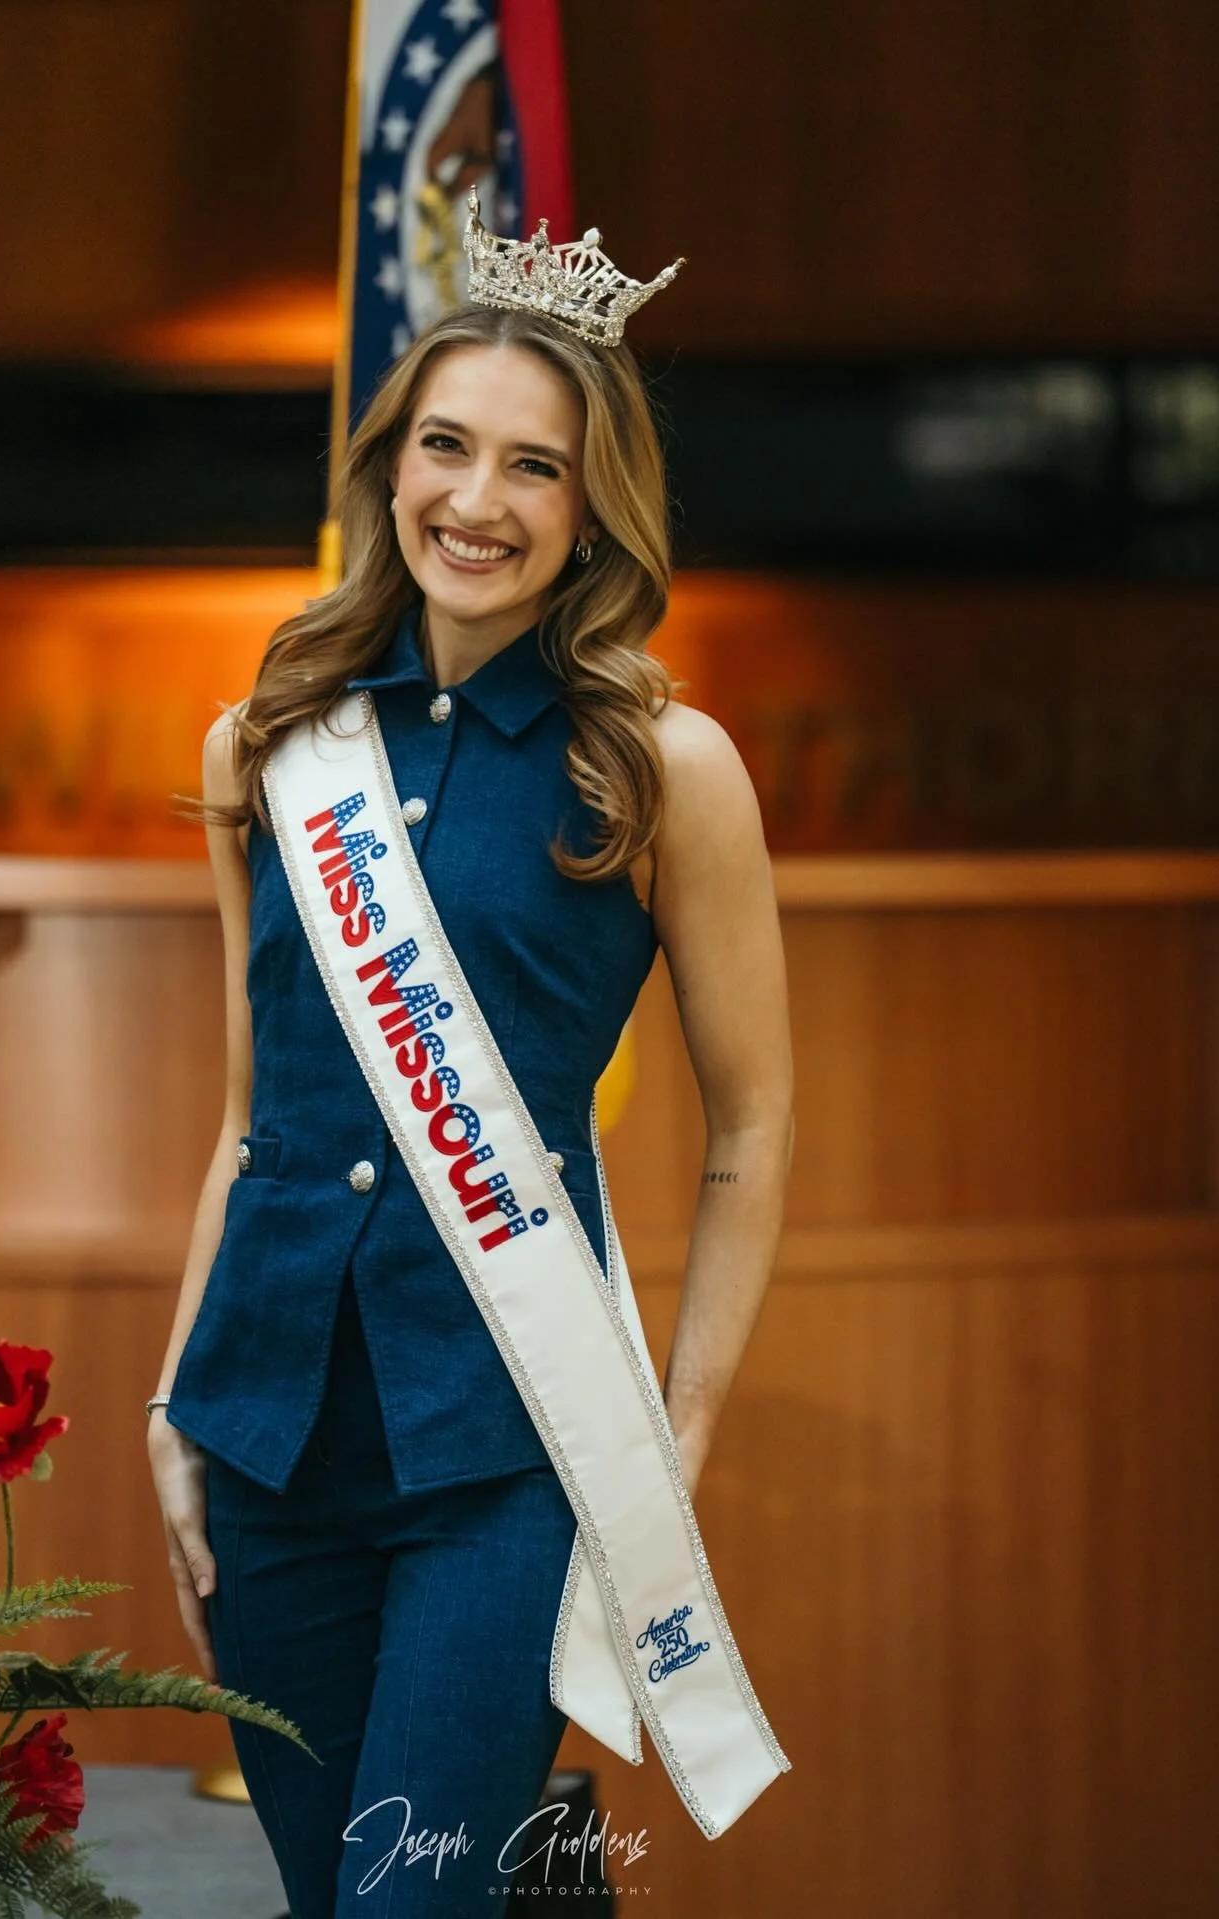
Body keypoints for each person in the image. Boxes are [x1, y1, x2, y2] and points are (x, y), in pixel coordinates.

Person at [145, 236, 794, 1917]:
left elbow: (755, 1124)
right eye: (447, 444)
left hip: (510, 1458)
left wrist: (680, 1429)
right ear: (390, 462)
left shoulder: (662, 767)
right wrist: (171, 1398)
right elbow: (249, 1116)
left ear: (595, 506)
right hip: (266, 1442)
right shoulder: (265, 744)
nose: (478, 499)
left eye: (536, 463)